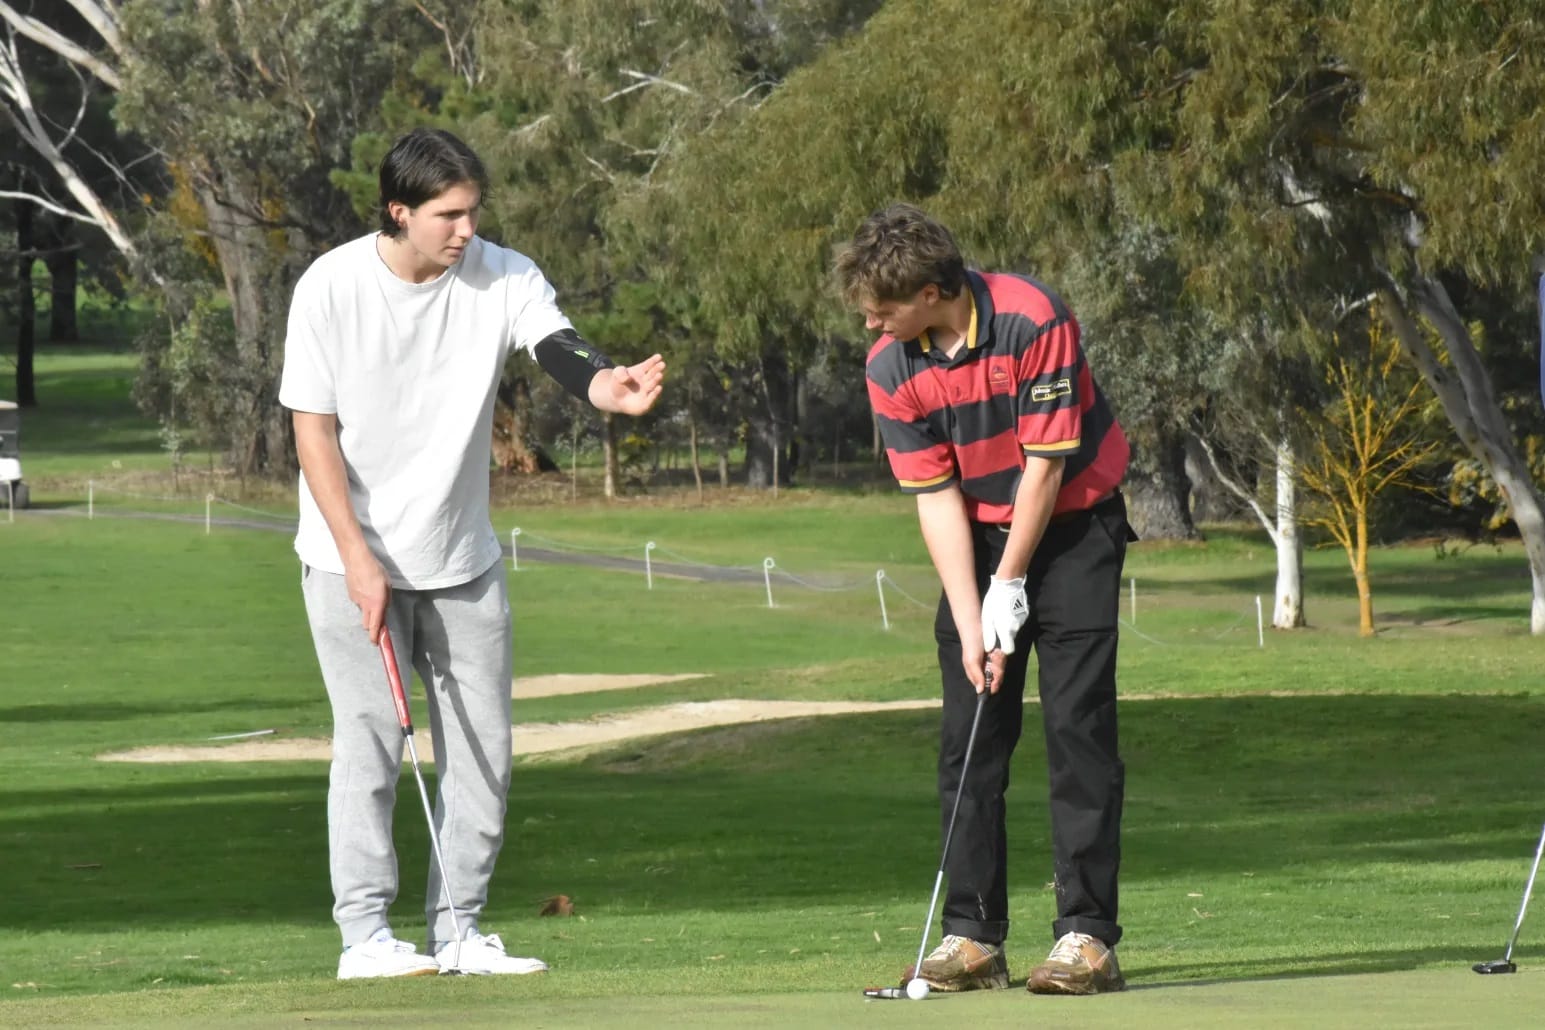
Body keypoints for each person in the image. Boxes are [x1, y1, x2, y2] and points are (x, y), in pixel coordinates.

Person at [279, 128, 665, 980]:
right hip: (353, 561)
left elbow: (558, 346)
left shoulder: (503, 272)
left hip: (464, 560)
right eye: (447, 215)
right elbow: (312, 430)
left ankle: (458, 931)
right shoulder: (332, 287)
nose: (464, 230)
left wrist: (609, 386)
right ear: (399, 211)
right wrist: (357, 557)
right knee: (372, 745)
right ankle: (366, 938)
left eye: (473, 212)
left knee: (483, 750)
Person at [835, 203, 1133, 996]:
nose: (870, 319)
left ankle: (1085, 937)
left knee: (1078, 731)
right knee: (968, 737)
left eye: (883, 306)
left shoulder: (1033, 320)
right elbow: (935, 498)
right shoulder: (890, 366)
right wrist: (974, 620)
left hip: (1073, 526)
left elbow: (1045, 469)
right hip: (977, 534)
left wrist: (1012, 585)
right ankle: (971, 937)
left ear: (934, 291)